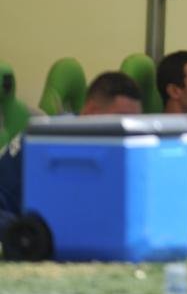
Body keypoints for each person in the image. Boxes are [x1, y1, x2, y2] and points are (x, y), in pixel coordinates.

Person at [0, 72, 142, 234]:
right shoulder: (41, 142)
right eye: (120, 121)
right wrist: (26, 234)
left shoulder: (130, 156)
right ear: (92, 112)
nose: (128, 131)